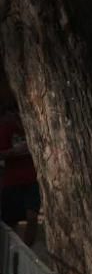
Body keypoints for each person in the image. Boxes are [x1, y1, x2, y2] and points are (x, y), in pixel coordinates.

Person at [0, 106, 40, 247]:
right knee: (9, 223)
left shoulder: (36, 125)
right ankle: (11, 253)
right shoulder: (6, 127)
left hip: (33, 180)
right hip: (12, 182)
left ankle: (27, 252)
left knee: (32, 218)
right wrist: (14, 152)